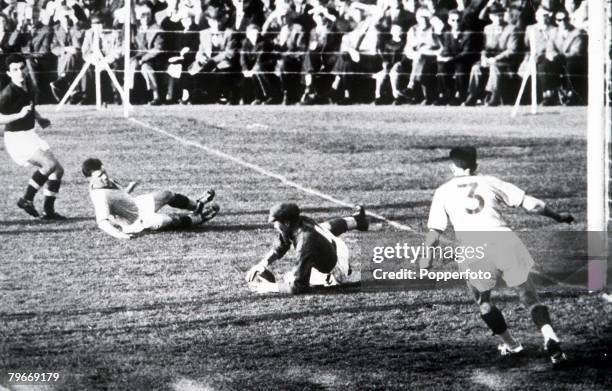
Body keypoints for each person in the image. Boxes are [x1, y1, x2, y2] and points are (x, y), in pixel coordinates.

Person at [421, 146, 573, 368]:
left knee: (484, 303)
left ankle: (511, 345)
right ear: (476, 166)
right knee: (529, 297)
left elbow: (435, 232)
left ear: (452, 167)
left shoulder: (443, 191)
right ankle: (549, 336)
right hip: (504, 240)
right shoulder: (490, 181)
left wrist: (426, 258)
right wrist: (558, 217)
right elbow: (532, 204)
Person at [81, 158, 220, 240]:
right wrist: (121, 235)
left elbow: (120, 195)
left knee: (167, 194)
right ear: (89, 178)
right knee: (172, 220)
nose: (104, 177)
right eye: (100, 175)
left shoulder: (106, 181)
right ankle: (199, 218)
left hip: (136, 204)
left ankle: (197, 206)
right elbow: (102, 223)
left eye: (104, 172)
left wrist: (129, 188)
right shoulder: (100, 197)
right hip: (136, 221)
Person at [246, 203, 369, 294]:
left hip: (337, 269)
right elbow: (282, 243)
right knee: (323, 227)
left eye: (276, 222)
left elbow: (298, 287)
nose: (274, 226)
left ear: (287, 222)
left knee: (289, 278)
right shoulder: (301, 220)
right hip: (337, 245)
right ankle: (358, 220)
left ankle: (345, 271)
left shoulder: (305, 242)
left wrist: (269, 287)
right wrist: (263, 263)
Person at [0, 54, 65, 220]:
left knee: (57, 170)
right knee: (49, 164)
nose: (19, 72)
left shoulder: (28, 85)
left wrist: (39, 118)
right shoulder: (7, 93)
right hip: (16, 138)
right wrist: (18, 115)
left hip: (30, 134)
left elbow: (30, 107)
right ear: (8, 73)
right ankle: (26, 199)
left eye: (22, 68)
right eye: (14, 70)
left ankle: (48, 212)